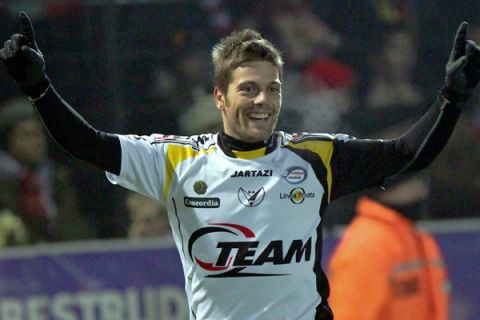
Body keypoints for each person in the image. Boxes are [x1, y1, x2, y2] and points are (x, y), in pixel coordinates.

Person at [0, 12, 479, 320]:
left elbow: (405, 155)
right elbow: (89, 145)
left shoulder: (314, 157)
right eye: (249, 88)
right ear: (220, 96)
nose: (263, 100)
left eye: (272, 88)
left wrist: (451, 98)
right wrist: (40, 91)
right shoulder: (178, 160)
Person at [327, 175, 450, 320]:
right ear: (386, 190)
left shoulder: (419, 238)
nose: (422, 191)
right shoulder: (369, 243)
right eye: (412, 183)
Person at [0, 96, 94, 243]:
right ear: (8, 141)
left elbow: (73, 224)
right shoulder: (4, 182)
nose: (37, 143)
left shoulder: (56, 178)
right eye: (27, 135)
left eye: (39, 134)